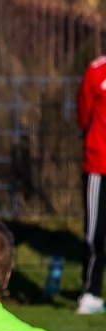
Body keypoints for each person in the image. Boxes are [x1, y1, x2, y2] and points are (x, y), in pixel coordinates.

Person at [77, 53, 106, 314]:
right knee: (95, 234)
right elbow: (84, 114)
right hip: (99, 166)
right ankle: (91, 292)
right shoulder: (97, 71)